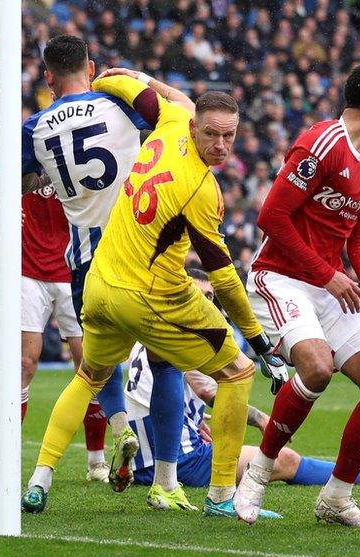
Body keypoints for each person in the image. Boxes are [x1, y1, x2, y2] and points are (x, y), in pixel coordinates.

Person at [23, 75, 287, 517]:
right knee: (238, 373)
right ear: (194, 127)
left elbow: (132, 89)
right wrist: (260, 342)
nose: (221, 145)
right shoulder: (203, 191)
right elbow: (223, 279)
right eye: (212, 134)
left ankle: (39, 478)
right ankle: (221, 497)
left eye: (229, 136)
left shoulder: (170, 118)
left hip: (99, 284)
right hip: (150, 295)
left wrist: (108, 77)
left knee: (90, 375)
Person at [235, 62, 360, 529]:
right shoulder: (321, 143)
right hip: (279, 277)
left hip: (327, 285)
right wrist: (326, 274)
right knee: (316, 366)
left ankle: (336, 497)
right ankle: (258, 473)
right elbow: (271, 217)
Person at [20, 35, 199, 490]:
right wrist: (139, 79)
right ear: (92, 65)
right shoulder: (117, 104)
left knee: (95, 366)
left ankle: (107, 437)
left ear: (47, 77)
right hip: (143, 252)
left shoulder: (35, 127)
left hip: (84, 262)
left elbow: (24, 182)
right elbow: (187, 112)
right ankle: (166, 482)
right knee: (166, 366)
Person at [124, 272, 360, 490]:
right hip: (176, 459)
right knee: (285, 459)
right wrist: (263, 419)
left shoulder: (156, 329)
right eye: (198, 295)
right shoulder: (190, 336)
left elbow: (168, 389)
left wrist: (191, 420)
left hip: (144, 455)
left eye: (210, 297)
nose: (205, 303)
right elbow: (207, 390)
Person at [0, 174, 100, 480]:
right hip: (28, 272)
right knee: (25, 363)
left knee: (88, 365)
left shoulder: (72, 149)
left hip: (74, 269)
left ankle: (96, 461)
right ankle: (7, 455)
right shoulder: (25, 149)